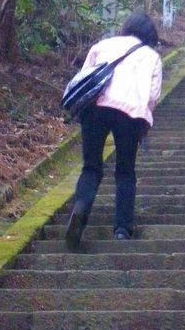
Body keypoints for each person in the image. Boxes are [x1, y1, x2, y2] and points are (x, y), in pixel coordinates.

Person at [65, 12, 162, 250]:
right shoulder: (151, 56)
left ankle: (81, 208)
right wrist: (143, 123)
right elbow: (152, 95)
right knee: (125, 171)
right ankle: (121, 230)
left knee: (91, 166)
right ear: (150, 35)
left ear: (127, 27)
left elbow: (84, 77)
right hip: (129, 113)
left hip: (95, 108)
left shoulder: (103, 45)